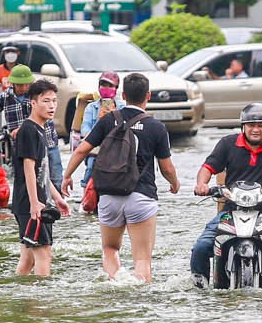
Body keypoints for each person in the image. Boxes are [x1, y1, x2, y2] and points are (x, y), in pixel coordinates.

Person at [65, 71, 179, 281]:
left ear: (123, 95)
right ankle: (140, 296)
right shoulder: (156, 127)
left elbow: (81, 149)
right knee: (142, 259)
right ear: (149, 96)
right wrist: (174, 184)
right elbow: (167, 168)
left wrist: (67, 176)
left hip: (109, 196)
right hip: (141, 197)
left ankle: (116, 283)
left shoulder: (108, 120)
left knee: (110, 249)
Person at [190, 103, 262, 288]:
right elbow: (208, 167)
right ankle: (199, 285)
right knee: (201, 247)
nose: (255, 129)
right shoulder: (227, 144)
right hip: (230, 211)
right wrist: (202, 184)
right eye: (251, 125)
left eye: (260, 125)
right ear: (243, 126)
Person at [11, 79, 69, 277]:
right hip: (30, 203)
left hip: (34, 201)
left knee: (27, 258)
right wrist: (35, 203)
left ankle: (23, 299)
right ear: (33, 103)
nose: (51, 105)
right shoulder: (28, 130)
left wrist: (57, 197)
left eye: (54, 100)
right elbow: (28, 167)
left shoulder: (40, 129)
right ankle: (41, 304)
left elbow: (41, 171)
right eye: (45, 101)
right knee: (44, 254)